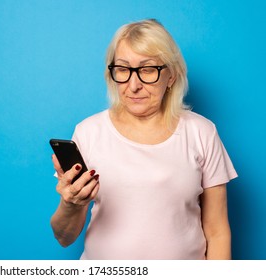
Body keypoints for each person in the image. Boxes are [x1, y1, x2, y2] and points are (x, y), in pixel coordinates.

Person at [50, 19, 237, 260]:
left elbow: (217, 232)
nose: (133, 85)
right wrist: (71, 203)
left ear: (171, 76)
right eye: (123, 69)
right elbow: (64, 237)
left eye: (147, 70)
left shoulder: (202, 132)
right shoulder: (88, 132)